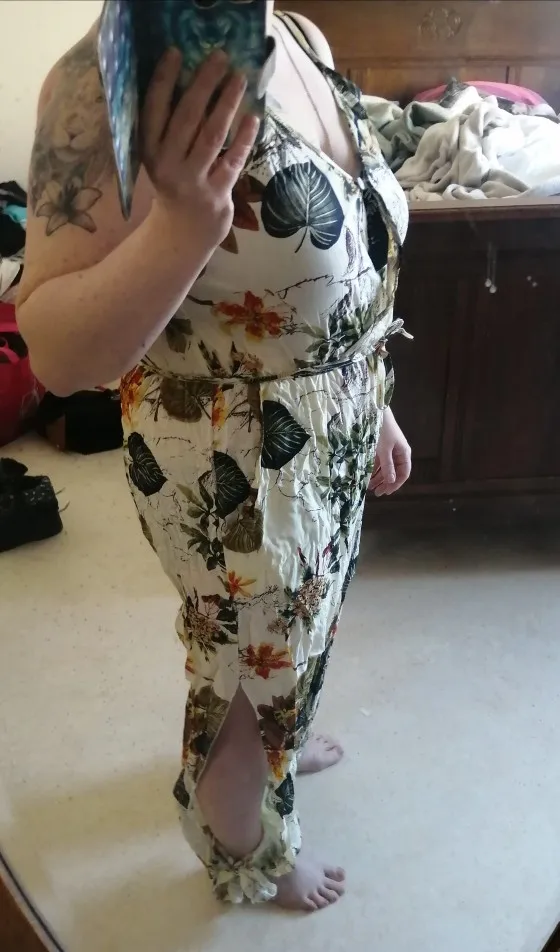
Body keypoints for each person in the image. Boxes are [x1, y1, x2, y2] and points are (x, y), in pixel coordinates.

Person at [18, 2, 412, 913]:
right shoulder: (101, 78)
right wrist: (184, 224)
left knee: (298, 636)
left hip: (329, 432)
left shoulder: (299, 34)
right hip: (234, 465)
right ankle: (245, 838)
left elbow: (341, 265)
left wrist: (372, 405)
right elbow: (58, 356)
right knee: (241, 672)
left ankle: (280, 734)